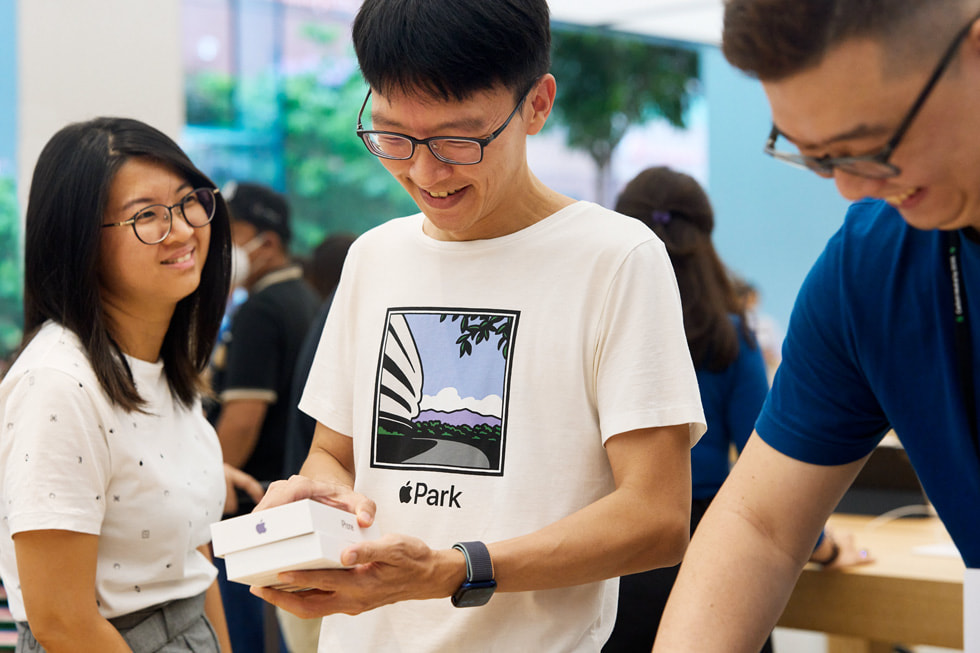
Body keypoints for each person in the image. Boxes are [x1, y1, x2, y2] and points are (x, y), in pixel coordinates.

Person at [249, 1, 707, 651]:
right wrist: (318, 499)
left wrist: (452, 571)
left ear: (538, 104)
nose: (424, 173)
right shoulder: (375, 256)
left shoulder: (616, 258)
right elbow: (334, 453)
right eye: (393, 137)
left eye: (458, 141)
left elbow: (657, 517)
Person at [654, 2, 980, 651]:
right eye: (819, 158)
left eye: (872, 148)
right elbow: (760, 524)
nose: (853, 189)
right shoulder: (872, 263)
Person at [602, 167, 868, 653]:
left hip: (608, 558)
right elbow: (765, 469)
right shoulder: (730, 336)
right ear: (705, 235)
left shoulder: (600, 329)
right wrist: (826, 548)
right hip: (707, 560)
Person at [0, 116, 233, 652]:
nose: (182, 229)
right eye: (146, 215)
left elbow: (193, 565)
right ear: (80, 242)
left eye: (187, 201)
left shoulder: (162, 370)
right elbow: (62, 622)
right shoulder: (57, 384)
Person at [207, 181, 321, 652]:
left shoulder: (260, 311)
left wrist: (204, 494)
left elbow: (242, 419)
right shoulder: (305, 300)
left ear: (268, 242)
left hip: (249, 512)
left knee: (244, 634)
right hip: (290, 501)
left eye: (230, 235)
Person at [277, 231, 356, 653]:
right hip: (326, 555)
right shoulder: (345, 308)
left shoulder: (327, 311)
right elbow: (325, 450)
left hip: (324, 547)